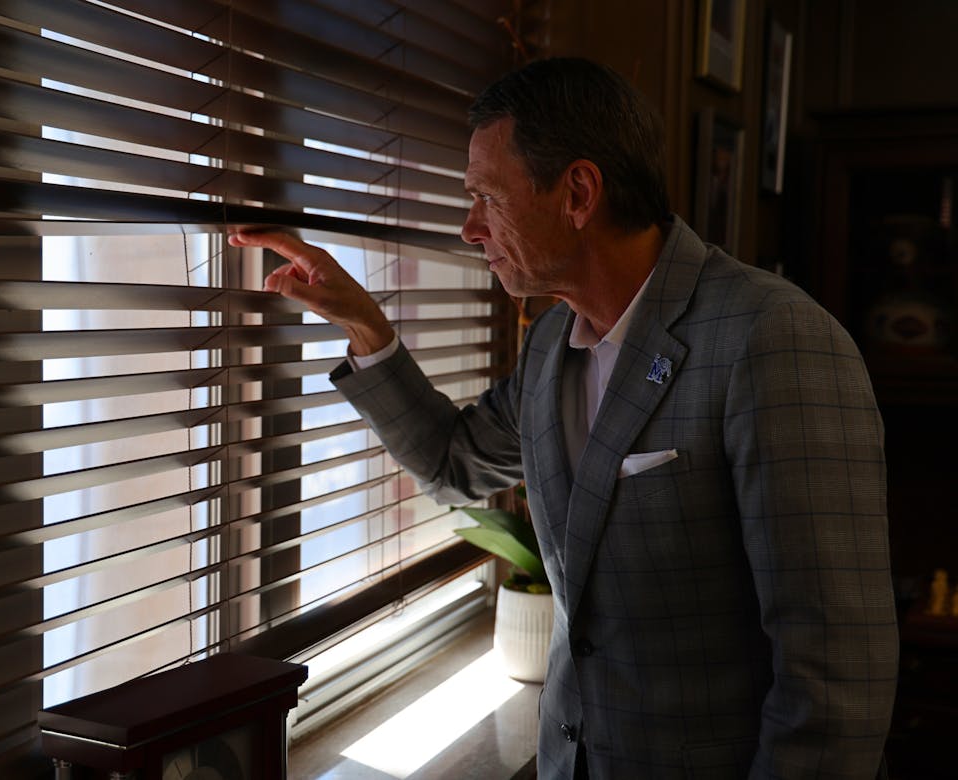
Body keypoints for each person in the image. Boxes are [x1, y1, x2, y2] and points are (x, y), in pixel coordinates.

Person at [228, 58, 898, 779]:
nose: (469, 229)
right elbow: (454, 465)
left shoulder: (774, 339)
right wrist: (363, 323)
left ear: (578, 193)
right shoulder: (551, 342)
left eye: (487, 197)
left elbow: (834, 670)